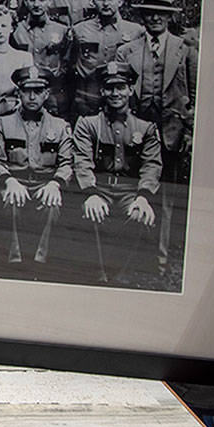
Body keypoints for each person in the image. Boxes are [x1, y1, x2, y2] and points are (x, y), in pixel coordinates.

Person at [115, 0, 196, 272]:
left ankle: (160, 259)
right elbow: (120, 92)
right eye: (149, 12)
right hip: (138, 134)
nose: (155, 17)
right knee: (138, 190)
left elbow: (194, 97)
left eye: (161, 13)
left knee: (167, 199)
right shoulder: (128, 50)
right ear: (142, 16)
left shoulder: (184, 50)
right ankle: (134, 256)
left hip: (172, 135)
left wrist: (187, 132)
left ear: (169, 17)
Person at [71, 61, 162, 283]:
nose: (115, 93)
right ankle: (99, 276)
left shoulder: (145, 127)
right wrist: (90, 193)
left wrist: (143, 197)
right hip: (98, 187)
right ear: (102, 91)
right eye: (110, 88)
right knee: (93, 213)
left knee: (139, 215)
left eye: (121, 87)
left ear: (130, 90)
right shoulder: (88, 124)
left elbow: (151, 165)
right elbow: (82, 161)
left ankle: (123, 273)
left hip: (130, 191)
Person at [0, 65, 73, 268]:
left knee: (52, 205)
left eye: (38, 91)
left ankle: (40, 262)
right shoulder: (2, 124)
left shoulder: (59, 126)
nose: (32, 97)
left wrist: (55, 184)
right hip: (14, 182)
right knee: (12, 201)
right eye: (26, 91)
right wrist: (9, 181)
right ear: (18, 93)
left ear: (47, 94)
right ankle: (14, 261)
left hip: (45, 184)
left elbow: (67, 163)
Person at [68, 0, 143, 116]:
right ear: (94, 1)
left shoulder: (135, 31)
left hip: (120, 100)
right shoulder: (79, 30)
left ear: (120, 1)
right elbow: (71, 65)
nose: (106, 4)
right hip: (87, 99)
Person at [11, 0, 69, 114]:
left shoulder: (62, 30)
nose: (37, 4)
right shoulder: (15, 31)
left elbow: (67, 63)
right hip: (23, 95)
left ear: (50, 1)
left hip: (52, 94)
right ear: (25, 1)